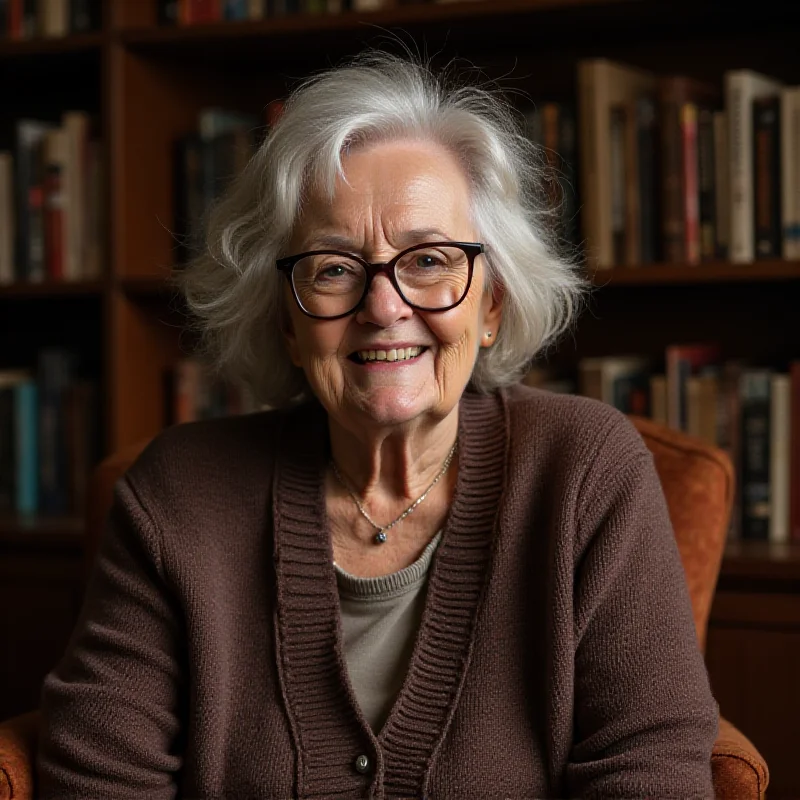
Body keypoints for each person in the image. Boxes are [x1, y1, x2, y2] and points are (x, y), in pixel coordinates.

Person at [37, 51, 718, 798]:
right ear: (287, 324)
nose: (384, 306)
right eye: (332, 269)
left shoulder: (586, 471)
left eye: (428, 259)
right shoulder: (179, 496)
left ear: (489, 306)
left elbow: (649, 769)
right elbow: (98, 778)